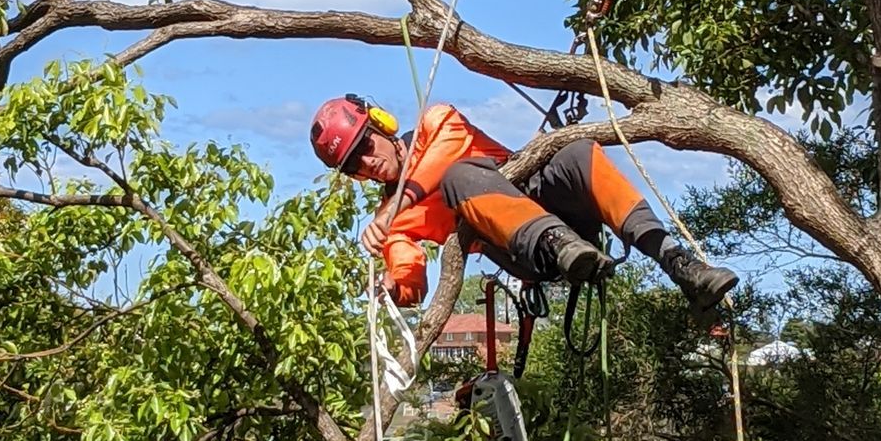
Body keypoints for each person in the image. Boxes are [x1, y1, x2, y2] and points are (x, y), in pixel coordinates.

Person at [309, 93, 740, 316]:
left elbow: (444, 152)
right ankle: (560, 246)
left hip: (559, 215)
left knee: (577, 151)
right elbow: (409, 274)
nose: (369, 162)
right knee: (463, 179)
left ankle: (677, 261)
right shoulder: (397, 227)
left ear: (380, 125)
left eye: (366, 144)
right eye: (354, 165)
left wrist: (397, 202)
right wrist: (392, 287)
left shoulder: (434, 123)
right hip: (525, 249)